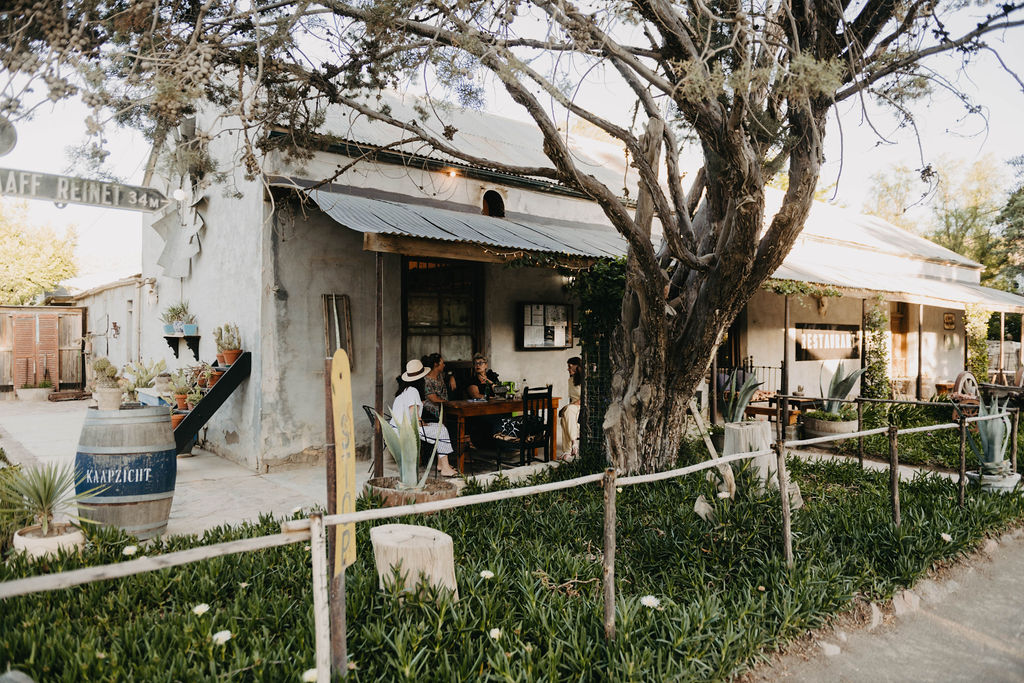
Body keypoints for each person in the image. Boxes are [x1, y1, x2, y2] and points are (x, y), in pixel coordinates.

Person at [391, 359, 459, 477]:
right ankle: (446, 468)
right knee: (442, 431)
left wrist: (423, 423)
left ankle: (441, 464)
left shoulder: (405, 391)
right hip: (406, 430)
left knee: (440, 426)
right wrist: (422, 423)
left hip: (398, 427)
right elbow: (413, 418)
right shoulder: (413, 392)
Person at [466, 352, 501, 448]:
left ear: (486, 365)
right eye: (475, 363)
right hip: (479, 410)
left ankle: (504, 444)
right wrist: (491, 398)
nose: (478, 365)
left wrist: (489, 381)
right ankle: (494, 445)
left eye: (480, 363)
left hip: (495, 408)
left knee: (506, 416)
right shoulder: (472, 380)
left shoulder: (492, 376)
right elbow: (476, 395)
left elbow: (500, 391)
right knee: (494, 419)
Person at [559, 356, 583, 459]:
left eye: (570, 366)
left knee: (568, 410)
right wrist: (567, 407)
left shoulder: (585, 379)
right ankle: (567, 451)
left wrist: (571, 406)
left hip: (582, 407)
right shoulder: (571, 380)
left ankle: (573, 443)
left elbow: (586, 398)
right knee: (565, 416)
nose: (568, 369)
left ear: (577, 367)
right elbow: (571, 399)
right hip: (573, 407)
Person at [420, 353, 455, 421]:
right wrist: (450, 404)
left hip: (444, 407)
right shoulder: (426, 380)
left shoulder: (440, 375)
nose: (444, 365)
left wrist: (451, 377)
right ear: (436, 364)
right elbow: (434, 399)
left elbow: (450, 373)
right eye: (442, 363)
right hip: (432, 411)